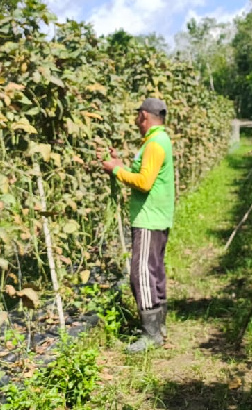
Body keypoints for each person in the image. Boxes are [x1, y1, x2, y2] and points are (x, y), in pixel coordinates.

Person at [100, 97, 175, 353]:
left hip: (148, 219)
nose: (135, 122)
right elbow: (143, 172)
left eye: (137, 117)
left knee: (141, 274)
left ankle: (151, 334)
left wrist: (115, 171)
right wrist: (120, 163)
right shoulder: (159, 140)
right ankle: (159, 328)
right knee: (154, 271)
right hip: (158, 217)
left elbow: (144, 182)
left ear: (144, 116)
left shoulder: (155, 144)